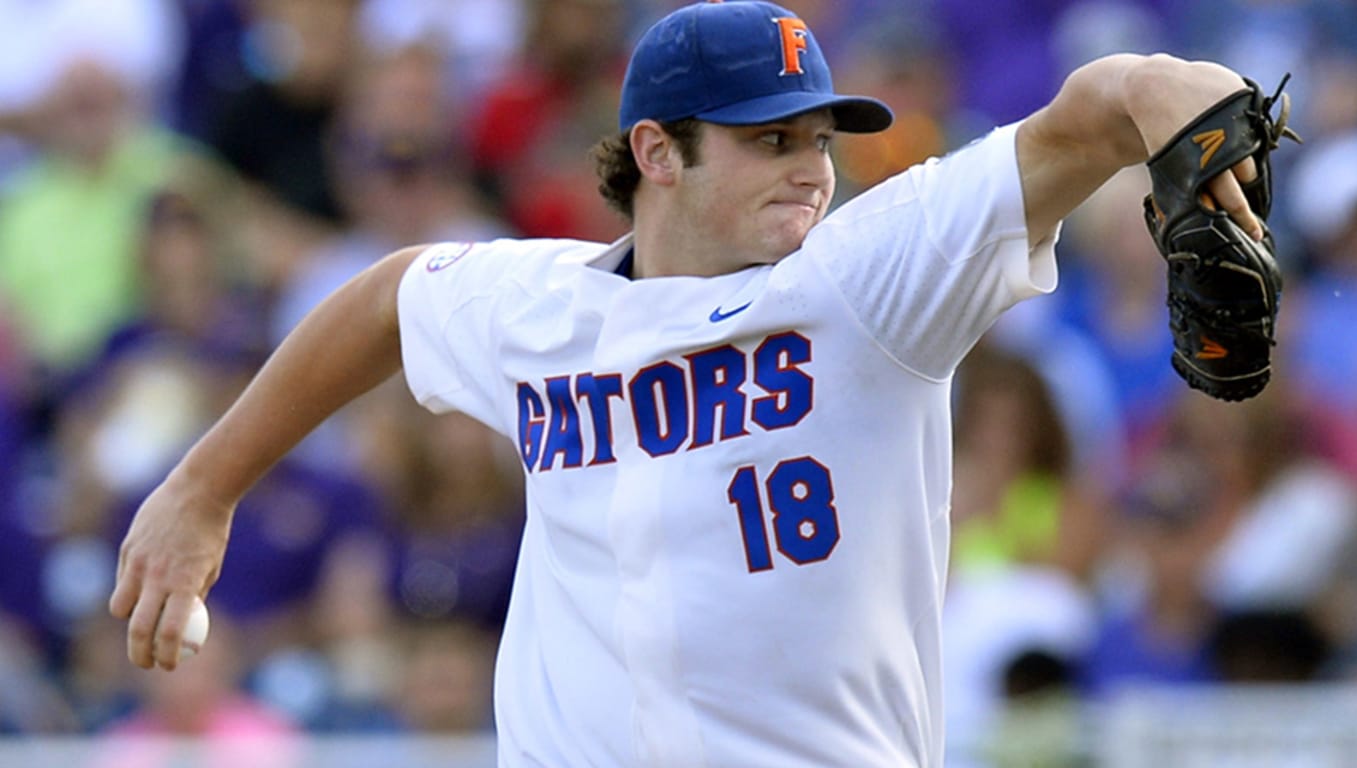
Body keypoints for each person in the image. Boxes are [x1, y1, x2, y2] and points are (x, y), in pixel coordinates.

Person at [111, 1, 1273, 764]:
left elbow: (1106, 104)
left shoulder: (869, 278)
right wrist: (203, 488)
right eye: (772, 141)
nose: (812, 171)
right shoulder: (541, 307)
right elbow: (388, 294)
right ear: (659, 153)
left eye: (818, 139)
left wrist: (1179, 98)